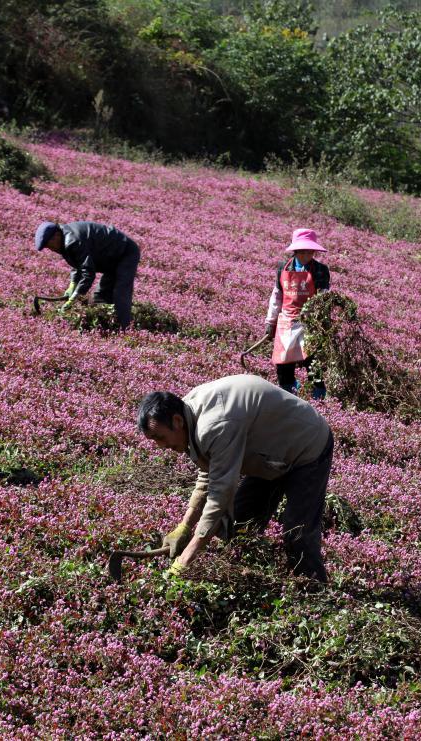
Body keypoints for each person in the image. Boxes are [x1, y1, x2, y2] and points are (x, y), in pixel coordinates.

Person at [138, 374, 334, 583]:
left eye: (160, 437)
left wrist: (189, 554)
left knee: (298, 533)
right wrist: (184, 527)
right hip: (268, 454)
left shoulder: (214, 424)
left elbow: (220, 492)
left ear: (176, 422)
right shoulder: (186, 415)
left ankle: (315, 590)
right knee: (240, 524)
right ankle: (247, 581)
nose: (161, 446)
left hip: (307, 446)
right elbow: (209, 474)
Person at [34, 221, 141, 330]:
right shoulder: (65, 239)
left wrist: (76, 295)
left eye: (49, 245)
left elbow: (88, 272)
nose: (51, 249)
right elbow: (78, 264)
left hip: (125, 254)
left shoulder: (73, 240)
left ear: (55, 236)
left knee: (120, 293)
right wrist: (72, 285)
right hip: (111, 259)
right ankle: (107, 326)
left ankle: (126, 329)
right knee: (100, 296)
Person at [263, 228, 330, 398]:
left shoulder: (321, 270)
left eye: (310, 251)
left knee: (312, 362)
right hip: (286, 322)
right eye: (304, 251)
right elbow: (277, 295)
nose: (307, 254)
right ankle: (288, 394)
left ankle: (319, 397)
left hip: (310, 322)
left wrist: (320, 321)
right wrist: (270, 322)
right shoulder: (282, 268)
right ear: (296, 251)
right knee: (284, 363)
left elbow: (324, 297)